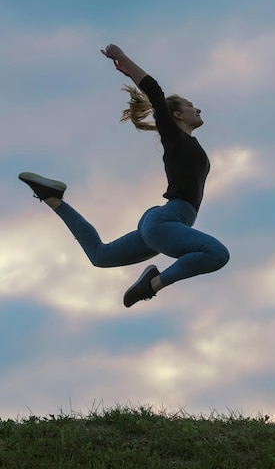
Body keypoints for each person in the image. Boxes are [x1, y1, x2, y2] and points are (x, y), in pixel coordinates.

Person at [19, 44, 230, 307]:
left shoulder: (189, 143)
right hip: (167, 221)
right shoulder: (174, 137)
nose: (198, 109)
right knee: (217, 254)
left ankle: (53, 199)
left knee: (101, 256)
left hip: (162, 224)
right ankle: (152, 284)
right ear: (176, 114)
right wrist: (123, 60)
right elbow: (154, 90)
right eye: (191, 106)